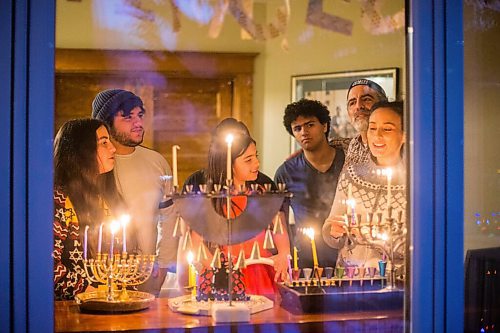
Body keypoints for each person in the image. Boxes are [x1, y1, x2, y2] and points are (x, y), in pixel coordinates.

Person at [182, 118, 290, 296]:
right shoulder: (211, 199)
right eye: (248, 160)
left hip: (261, 276)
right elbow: (195, 246)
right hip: (224, 282)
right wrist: (219, 271)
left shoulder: (263, 194)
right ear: (228, 164)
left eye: (256, 157)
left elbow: (280, 230)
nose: (257, 164)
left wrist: (283, 253)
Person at [91, 89, 178, 296]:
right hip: (100, 276)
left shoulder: (157, 162)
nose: (138, 123)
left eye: (140, 115)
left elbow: (170, 219)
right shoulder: (95, 164)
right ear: (106, 122)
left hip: (147, 275)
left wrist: (163, 265)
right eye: (127, 117)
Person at [322, 101, 406, 269]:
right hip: (351, 278)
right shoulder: (352, 174)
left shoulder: (416, 182)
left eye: (387, 129)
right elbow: (330, 227)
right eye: (372, 128)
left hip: (396, 279)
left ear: (405, 135)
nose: (377, 135)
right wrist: (334, 231)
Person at [53, 118, 124, 300]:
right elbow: (48, 267)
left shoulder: (107, 198)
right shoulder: (59, 201)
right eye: (103, 142)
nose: (113, 148)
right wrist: (88, 290)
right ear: (82, 150)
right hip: (71, 311)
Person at [274, 99, 345, 269]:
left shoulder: (347, 161)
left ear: (325, 126)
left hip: (348, 254)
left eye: (310, 125)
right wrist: (284, 253)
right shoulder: (286, 172)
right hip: (306, 259)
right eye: (297, 128)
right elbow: (278, 218)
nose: (304, 132)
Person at [336, 78, 388, 166]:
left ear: (383, 104)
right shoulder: (352, 145)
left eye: (367, 99)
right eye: (352, 103)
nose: (358, 106)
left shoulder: (394, 144)